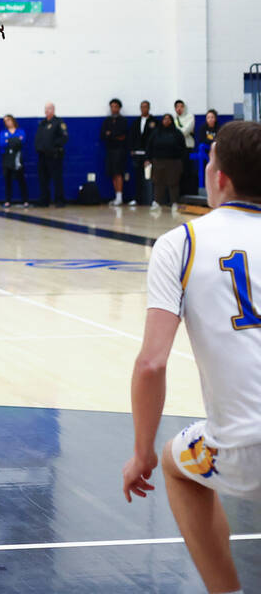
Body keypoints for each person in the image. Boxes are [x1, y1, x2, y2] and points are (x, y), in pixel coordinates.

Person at [122, 119, 261, 594]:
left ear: (217, 176)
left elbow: (152, 363)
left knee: (174, 462)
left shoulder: (183, 243)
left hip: (246, 445)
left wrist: (139, 453)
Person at [147, 113, 186, 214]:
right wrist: (148, 159)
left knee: (173, 183)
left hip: (173, 162)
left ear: (172, 121)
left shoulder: (177, 133)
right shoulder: (156, 133)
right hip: (158, 161)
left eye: (169, 119)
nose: (167, 121)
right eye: (165, 119)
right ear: (162, 121)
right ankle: (156, 202)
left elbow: (183, 148)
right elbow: (149, 147)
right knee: (158, 183)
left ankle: (174, 203)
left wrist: (180, 161)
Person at [34, 102, 67, 207]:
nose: (46, 111)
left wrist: (53, 146)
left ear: (53, 110)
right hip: (43, 155)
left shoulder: (58, 122)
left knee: (57, 179)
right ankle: (44, 200)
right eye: (45, 109)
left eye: (48, 109)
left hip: (54, 155)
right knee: (43, 179)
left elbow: (64, 137)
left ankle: (59, 200)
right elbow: (39, 137)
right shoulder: (43, 123)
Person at [101, 98, 130, 205]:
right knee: (112, 173)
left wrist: (111, 134)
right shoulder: (107, 120)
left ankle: (120, 196)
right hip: (110, 150)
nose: (113, 109)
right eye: (112, 107)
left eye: (115, 107)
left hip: (120, 150)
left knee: (118, 173)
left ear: (119, 108)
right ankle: (116, 195)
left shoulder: (123, 120)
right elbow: (103, 134)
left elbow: (122, 135)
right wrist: (111, 135)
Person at [130, 100, 157, 206]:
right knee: (137, 177)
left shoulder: (154, 121)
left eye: (146, 107)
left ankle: (151, 199)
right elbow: (132, 136)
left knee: (149, 177)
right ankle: (137, 199)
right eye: (142, 107)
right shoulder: (137, 121)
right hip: (137, 153)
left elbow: (154, 138)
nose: (144, 109)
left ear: (149, 108)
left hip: (148, 153)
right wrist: (132, 149)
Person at [0, 114, 28, 207]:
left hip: (17, 157)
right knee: (7, 179)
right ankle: (8, 200)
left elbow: (22, 141)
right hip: (7, 158)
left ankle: (25, 200)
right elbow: (2, 143)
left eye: (8, 120)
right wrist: (15, 140)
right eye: (5, 121)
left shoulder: (20, 131)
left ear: (13, 120)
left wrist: (9, 141)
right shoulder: (3, 133)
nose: (7, 122)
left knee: (21, 179)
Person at [175, 99, 197, 196]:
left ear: (184, 107)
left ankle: (190, 194)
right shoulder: (174, 119)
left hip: (188, 147)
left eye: (181, 106)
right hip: (178, 148)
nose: (179, 109)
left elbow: (184, 132)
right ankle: (181, 194)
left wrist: (179, 132)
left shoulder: (190, 117)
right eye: (177, 107)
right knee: (179, 172)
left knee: (189, 171)